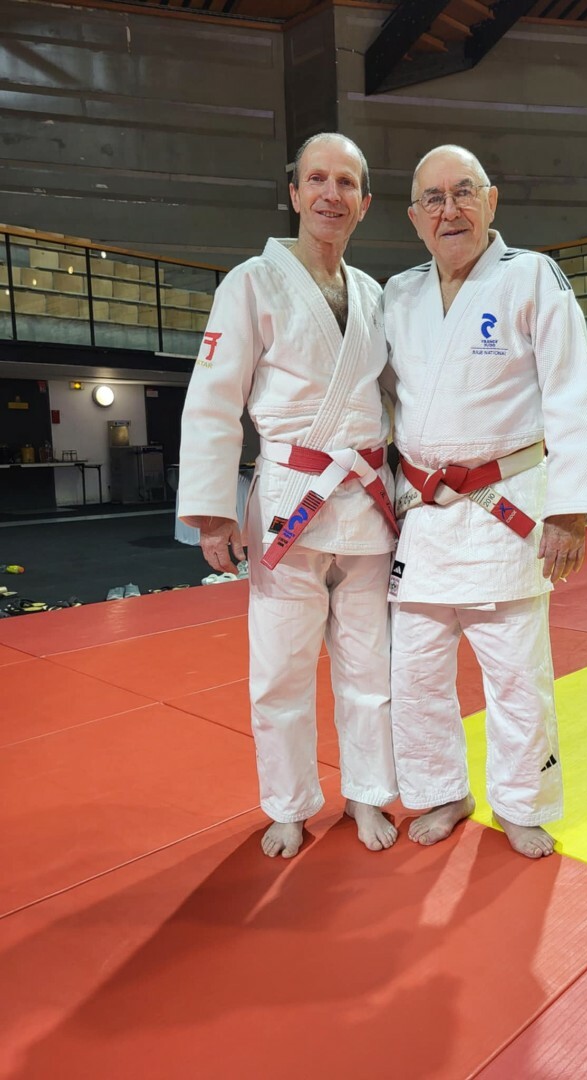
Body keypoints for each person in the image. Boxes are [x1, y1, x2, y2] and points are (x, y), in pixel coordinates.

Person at [178, 133, 399, 859]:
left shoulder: (374, 296)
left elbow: (398, 401)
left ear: (364, 202)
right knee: (280, 670)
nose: (332, 194)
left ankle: (367, 791)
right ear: (296, 192)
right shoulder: (250, 283)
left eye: (347, 182)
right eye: (318, 179)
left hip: (365, 504)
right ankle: (288, 804)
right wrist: (213, 515)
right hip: (288, 506)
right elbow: (214, 401)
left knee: (370, 668)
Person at [382, 144, 587, 859]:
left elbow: (570, 392)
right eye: (434, 198)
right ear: (415, 217)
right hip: (423, 516)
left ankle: (521, 802)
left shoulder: (532, 277)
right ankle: (443, 790)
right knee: (415, 675)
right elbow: (380, 401)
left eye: (464, 192)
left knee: (516, 677)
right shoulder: (398, 295)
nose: (450, 210)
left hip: (504, 510)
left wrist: (568, 512)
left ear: (491, 201)